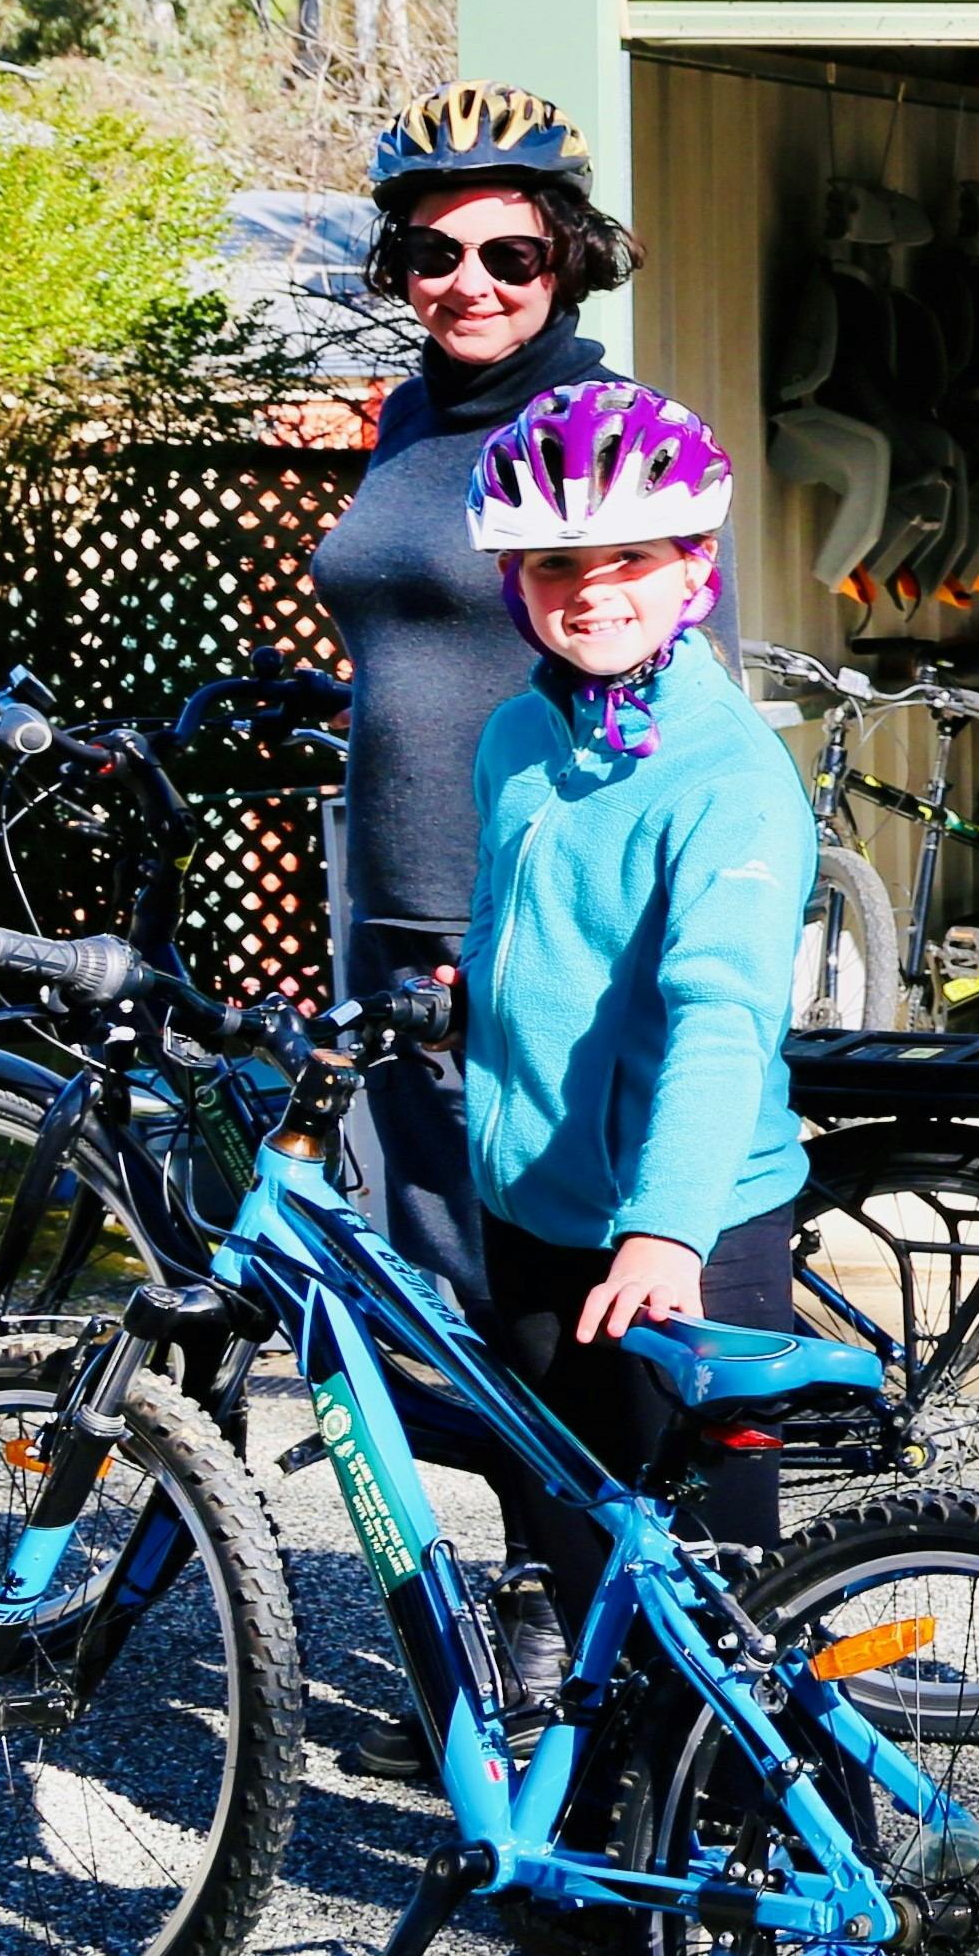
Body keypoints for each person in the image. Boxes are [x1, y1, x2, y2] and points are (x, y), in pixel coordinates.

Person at [450, 376, 862, 1956]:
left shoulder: (727, 778)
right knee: (572, 1549)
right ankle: (622, 1848)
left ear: (696, 568)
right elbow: (520, 944)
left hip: (684, 1235)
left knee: (721, 1593)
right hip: (534, 1218)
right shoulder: (513, 736)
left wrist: (668, 1230)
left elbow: (710, 1018)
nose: (592, 591)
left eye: (630, 558)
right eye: (554, 570)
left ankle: (824, 1937)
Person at [311, 85, 635, 1308]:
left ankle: (618, 1504)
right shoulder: (406, 415)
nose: (471, 283)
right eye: (436, 253)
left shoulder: (597, 428)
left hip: (518, 899)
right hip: (391, 889)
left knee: (543, 1268)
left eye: (510, 253)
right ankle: (506, 1503)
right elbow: (423, 618)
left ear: (568, 260)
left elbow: (658, 667)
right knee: (442, 1259)